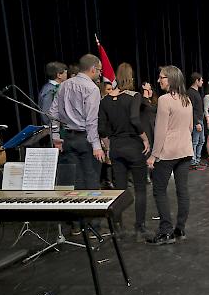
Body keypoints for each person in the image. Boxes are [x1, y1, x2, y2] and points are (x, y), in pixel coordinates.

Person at [98, 62, 150, 241]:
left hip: (116, 148)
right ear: (130, 77)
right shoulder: (134, 96)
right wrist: (144, 138)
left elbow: (102, 129)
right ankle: (140, 227)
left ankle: (118, 228)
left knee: (119, 190)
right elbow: (135, 119)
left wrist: (108, 146)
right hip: (133, 146)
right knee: (140, 188)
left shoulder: (104, 100)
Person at [146, 65, 193, 245]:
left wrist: (153, 155)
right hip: (185, 150)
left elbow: (160, 131)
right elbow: (189, 127)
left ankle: (166, 231)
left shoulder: (165, 100)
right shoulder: (187, 99)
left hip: (168, 152)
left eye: (162, 77)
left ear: (171, 79)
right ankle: (179, 229)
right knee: (183, 190)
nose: (159, 80)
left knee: (159, 190)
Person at [49, 54, 105, 189]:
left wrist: (56, 138)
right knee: (91, 181)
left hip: (68, 139)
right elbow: (91, 120)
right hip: (86, 140)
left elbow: (52, 113)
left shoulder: (63, 86)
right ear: (93, 69)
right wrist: (96, 146)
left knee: (75, 183)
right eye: (99, 70)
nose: (100, 74)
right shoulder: (92, 89)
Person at [187, 72, 206, 167]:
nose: (202, 82)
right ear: (196, 80)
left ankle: (197, 159)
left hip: (200, 120)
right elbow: (191, 109)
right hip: (196, 121)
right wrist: (197, 122)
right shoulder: (190, 92)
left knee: (201, 141)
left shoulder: (197, 92)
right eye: (201, 80)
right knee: (195, 141)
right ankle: (193, 160)